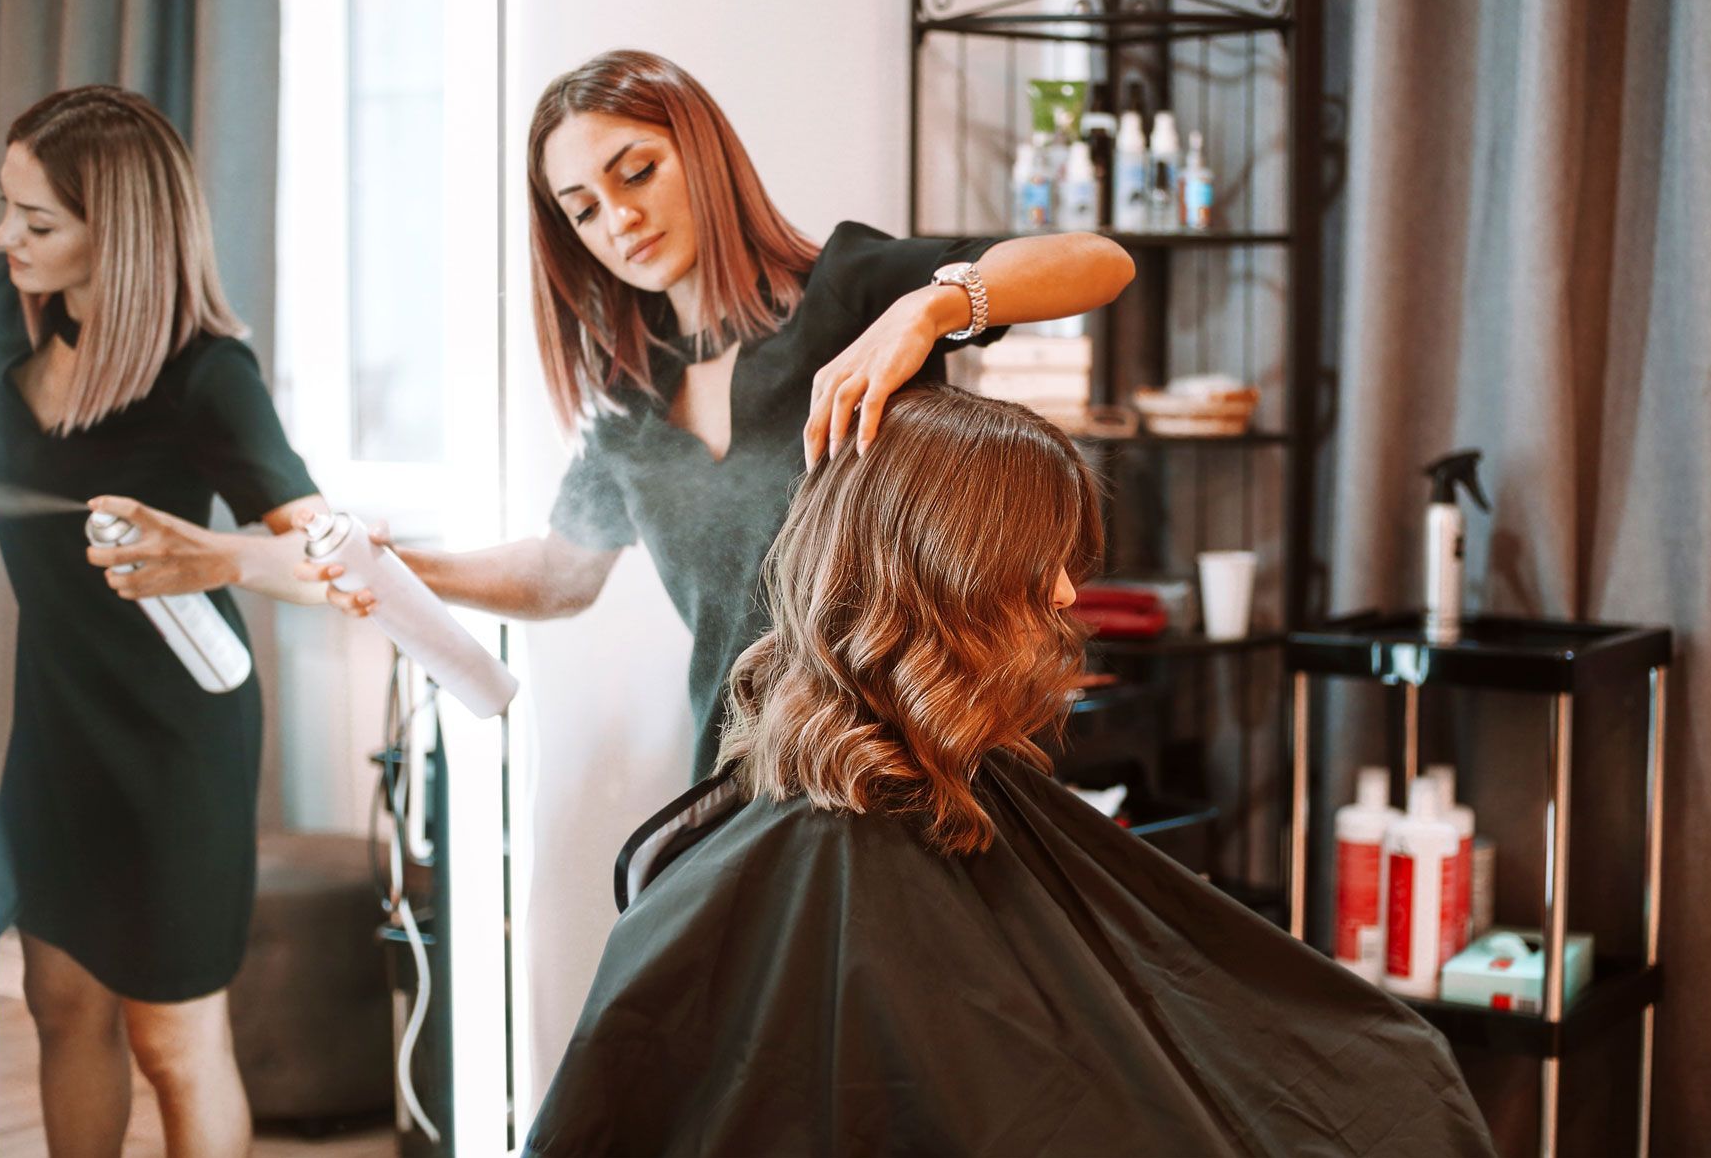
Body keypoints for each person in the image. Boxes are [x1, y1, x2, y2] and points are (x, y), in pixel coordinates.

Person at [522, 385, 1497, 1158]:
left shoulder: (954, 784)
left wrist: (944, 305)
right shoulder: (822, 859)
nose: (1071, 591)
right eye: (1043, 559)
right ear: (949, 573)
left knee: (1402, 1066)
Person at [292, 49, 1136, 776]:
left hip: (911, 754)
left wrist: (928, 310)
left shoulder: (847, 290)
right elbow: (561, 575)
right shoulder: (631, 403)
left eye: (637, 172)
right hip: (739, 766)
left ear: (702, 154)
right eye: (583, 208)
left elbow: (1098, 262)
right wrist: (397, 567)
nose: (619, 219)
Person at [0, 85, 331, 1158]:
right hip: (58, 719)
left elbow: (331, 561)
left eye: (37, 223)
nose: (6, 239)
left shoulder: (206, 376)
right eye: (6, 208)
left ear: (117, 233)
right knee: (61, 1001)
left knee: (174, 1038)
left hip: (180, 739)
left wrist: (219, 553)